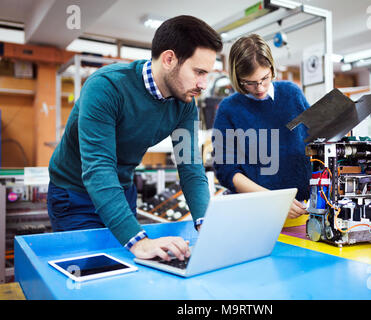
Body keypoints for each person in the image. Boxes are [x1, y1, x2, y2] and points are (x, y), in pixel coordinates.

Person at [47, 15, 223, 262]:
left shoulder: (184, 104)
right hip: (75, 194)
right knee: (89, 275)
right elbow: (98, 169)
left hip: (121, 191)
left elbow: (191, 167)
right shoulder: (106, 87)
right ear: (169, 59)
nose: (204, 84)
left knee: (129, 268)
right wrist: (139, 242)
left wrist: (206, 224)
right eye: (199, 72)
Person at [212, 34, 311, 220]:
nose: (259, 88)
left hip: (303, 211)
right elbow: (227, 171)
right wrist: (274, 200)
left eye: (265, 78)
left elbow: (316, 143)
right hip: (257, 214)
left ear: (272, 68)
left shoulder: (292, 93)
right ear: (237, 77)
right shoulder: (229, 109)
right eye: (249, 82)